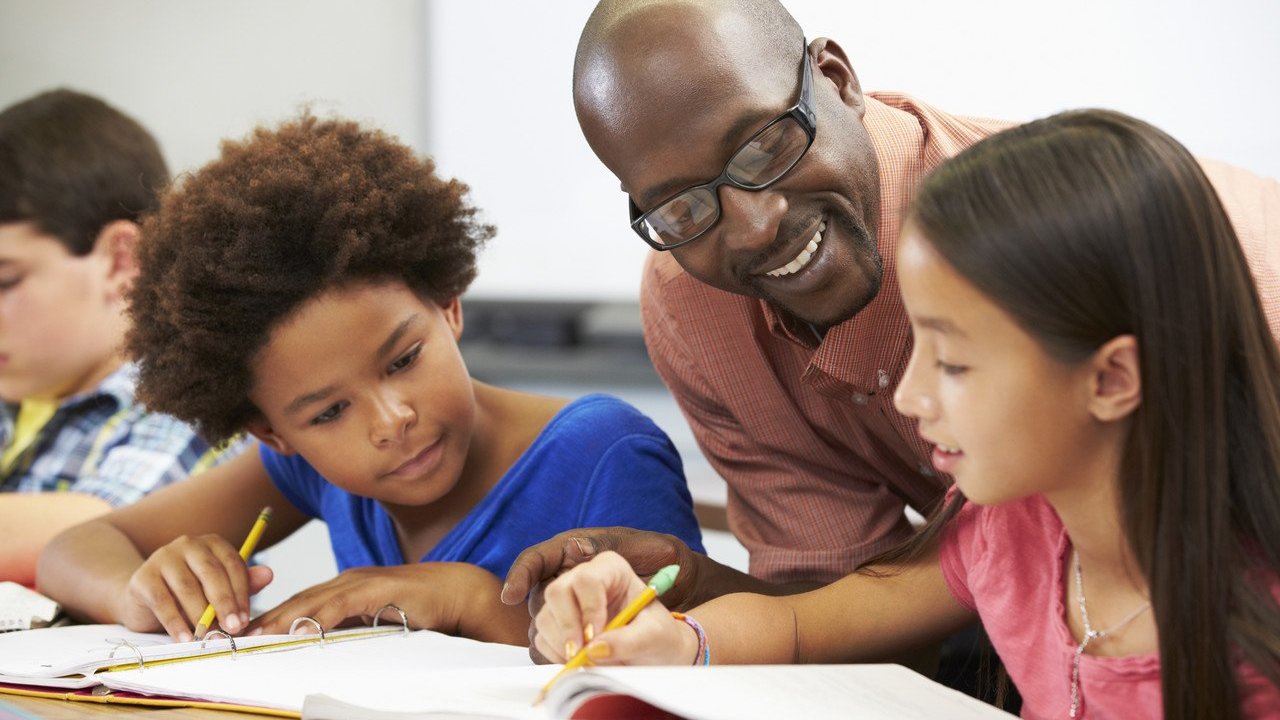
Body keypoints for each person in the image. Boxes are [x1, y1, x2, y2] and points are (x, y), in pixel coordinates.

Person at [502, 0, 1280, 618]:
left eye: (766, 146)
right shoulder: (693, 307)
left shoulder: (1108, 251)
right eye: (679, 206)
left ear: (838, 80)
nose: (754, 224)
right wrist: (697, 590)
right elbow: (845, 610)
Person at [530, 109, 1280, 719]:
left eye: (952, 363)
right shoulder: (1014, 531)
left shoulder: (1254, 632)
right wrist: (678, 640)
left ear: (1112, 377)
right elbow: (804, 623)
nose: (911, 396)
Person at [36, 114, 704, 645]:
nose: (390, 422)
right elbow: (75, 548)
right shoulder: (306, 469)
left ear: (448, 304)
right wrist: (140, 589)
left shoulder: (603, 453)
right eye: (327, 413)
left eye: (404, 359)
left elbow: (671, 658)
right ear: (274, 431)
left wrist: (465, 600)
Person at [0, 89, 241, 585]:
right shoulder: (19, 389)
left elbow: (105, 534)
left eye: (5, 281)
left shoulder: (194, 396)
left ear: (120, 260)